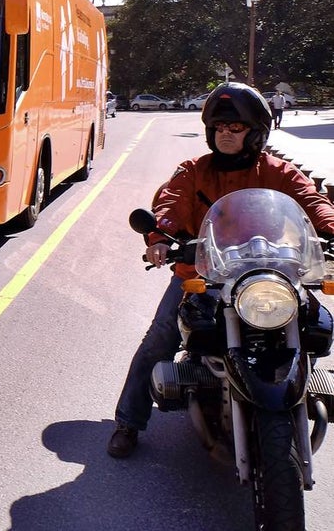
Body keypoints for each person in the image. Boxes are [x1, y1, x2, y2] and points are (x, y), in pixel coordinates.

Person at [106, 83, 334, 459]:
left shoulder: (278, 172)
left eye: (235, 127)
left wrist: (328, 225)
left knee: (313, 323)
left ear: (255, 131)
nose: (226, 134)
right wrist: (160, 235)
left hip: (267, 276)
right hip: (204, 274)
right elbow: (170, 202)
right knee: (160, 340)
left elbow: (311, 199)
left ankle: (298, 385)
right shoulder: (194, 170)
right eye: (220, 128)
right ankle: (128, 422)